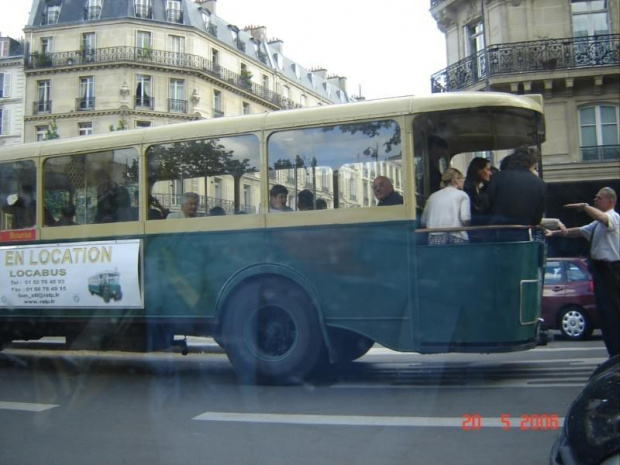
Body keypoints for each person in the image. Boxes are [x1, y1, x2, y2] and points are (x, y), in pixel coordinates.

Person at [546, 187, 619, 357]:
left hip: (612, 271)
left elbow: (602, 217)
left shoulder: (613, 218)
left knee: (613, 313)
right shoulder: (596, 225)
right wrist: (555, 233)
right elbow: (578, 231)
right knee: (605, 315)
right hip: (601, 271)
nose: (595, 200)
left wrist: (584, 206)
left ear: (610, 202)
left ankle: (617, 353)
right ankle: (613, 353)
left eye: (598, 198)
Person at [487, 147, 546, 241]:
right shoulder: (539, 183)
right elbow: (537, 216)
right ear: (533, 163)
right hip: (523, 232)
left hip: (498, 231)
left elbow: (488, 205)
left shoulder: (497, 177)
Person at [421, 167, 471, 245]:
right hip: (457, 236)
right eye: (461, 179)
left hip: (435, 238)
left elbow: (423, 221)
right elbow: (465, 219)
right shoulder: (462, 195)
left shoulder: (432, 197)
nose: (463, 182)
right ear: (455, 180)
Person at [463, 157, 492, 227]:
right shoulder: (467, 189)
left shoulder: (480, 190)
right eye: (487, 170)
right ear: (479, 170)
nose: (490, 173)